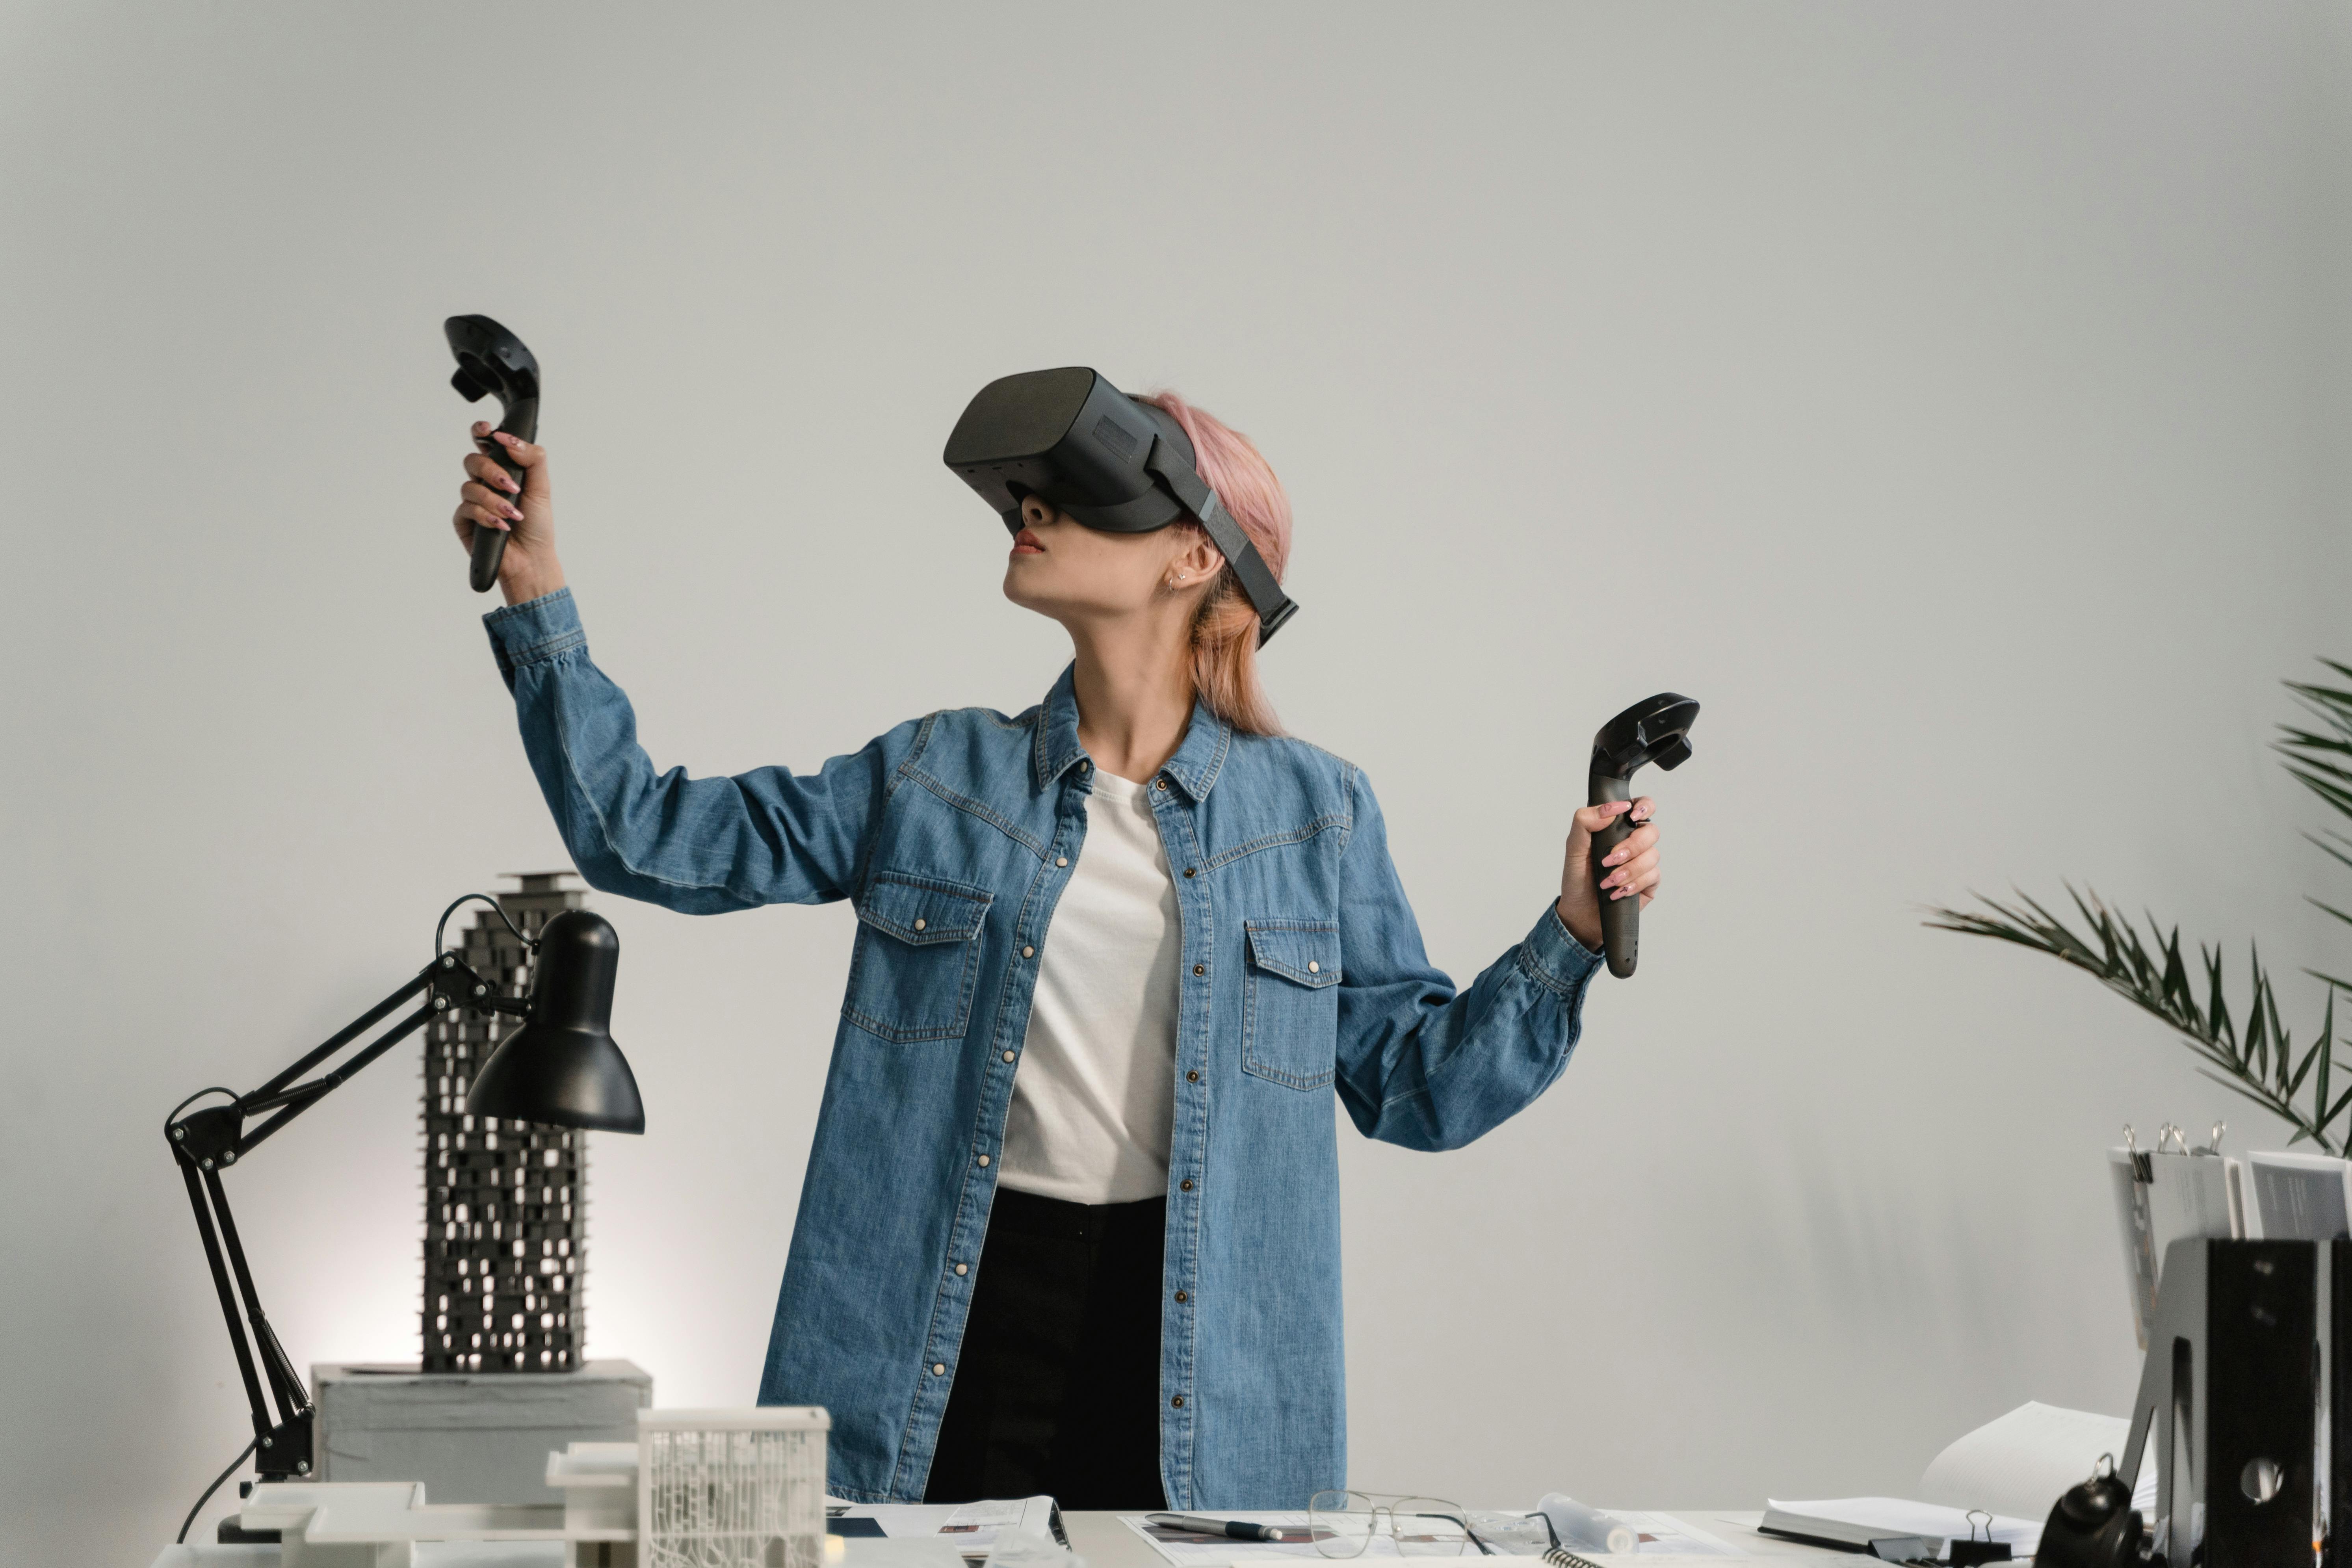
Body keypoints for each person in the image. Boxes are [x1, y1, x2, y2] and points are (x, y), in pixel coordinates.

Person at [450, 385, 1664, 1511]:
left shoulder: (1316, 814)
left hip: (1195, 1366)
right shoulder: (932, 777)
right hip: (944, 1327)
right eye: (1030, 495)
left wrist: (1565, 935)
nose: (1033, 513)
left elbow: (1416, 1088)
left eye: (1078, 496)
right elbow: (645, 832)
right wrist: (538, 587)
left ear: (1196, 555)